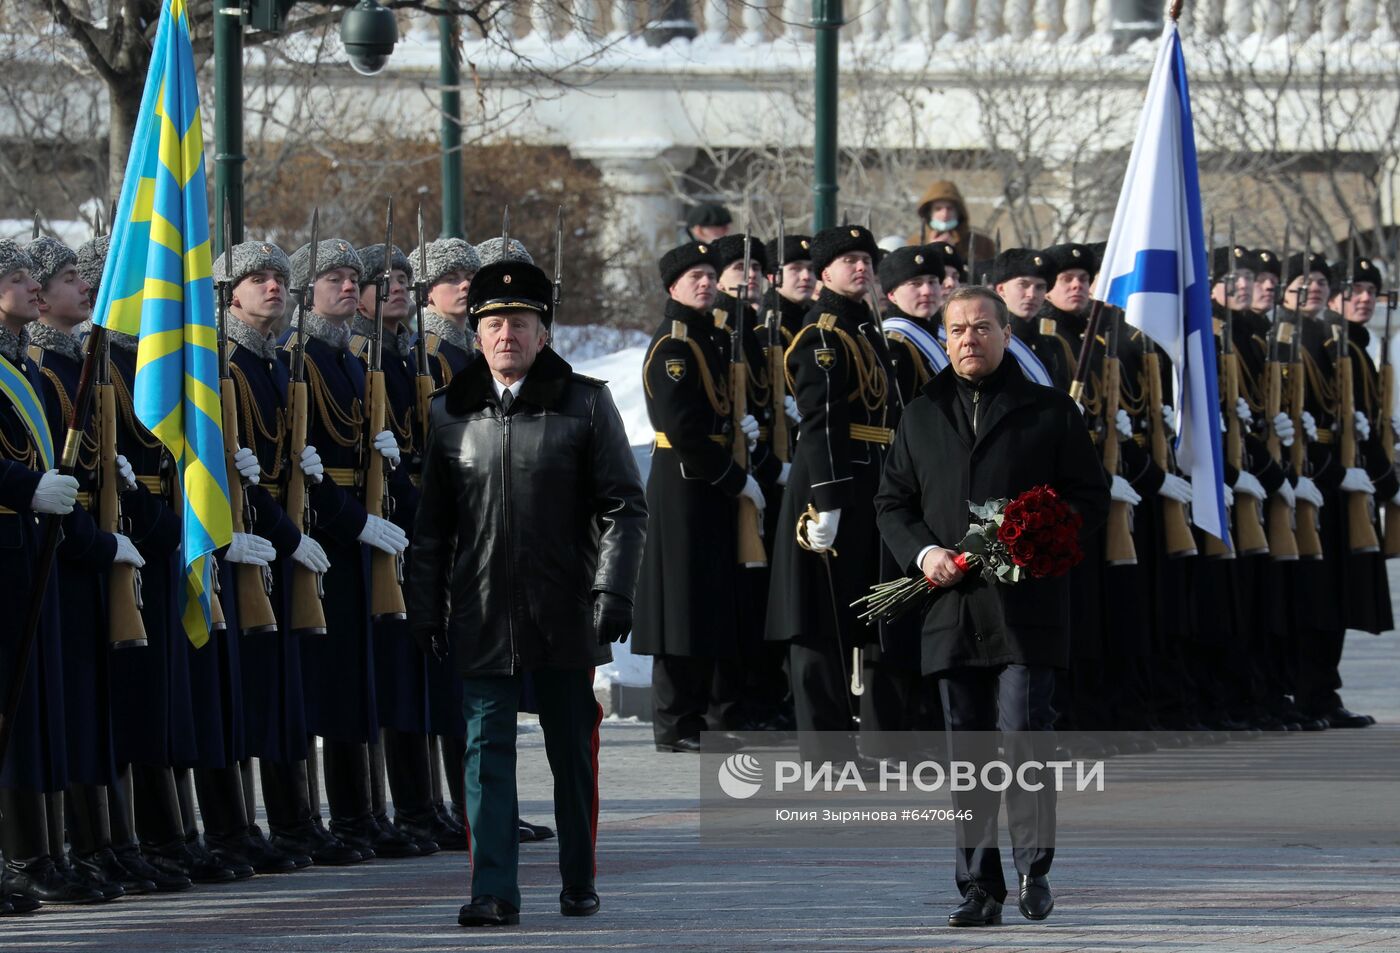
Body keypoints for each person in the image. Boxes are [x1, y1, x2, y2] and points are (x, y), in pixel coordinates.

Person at [408, 258, 646, 927]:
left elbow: (623, 506)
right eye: (491, 323)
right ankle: (494, 891)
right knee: (485, 754)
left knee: (571, 750)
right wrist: (425, 605)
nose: (505, 334)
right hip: (483, 611)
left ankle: (578, 879)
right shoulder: (448, 412)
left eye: (519, 322)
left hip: (565, 608)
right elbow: (433, 526)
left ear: (544, 333)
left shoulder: (586, 401)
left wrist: (614, 588)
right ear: (475, 334)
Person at [874, 286, 1108, 928]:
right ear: (944, 339)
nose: (968, 339)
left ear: (1007, 334)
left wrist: (1043, 535)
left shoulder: (1048, 411)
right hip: (952, 606)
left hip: (1026, 608)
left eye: (982, 327)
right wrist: (924, 555)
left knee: (1023, 734)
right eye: (956, 330)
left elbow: (1090, 495)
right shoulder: (921, 413)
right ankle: (979, 887)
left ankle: (1033, 867)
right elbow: (892, 503)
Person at [632, 242, 760, 753]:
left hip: (707, 480)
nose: (705, 283)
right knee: (680, 602)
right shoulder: (674, 344)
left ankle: (700, 717)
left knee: (706, 599)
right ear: (672, 287)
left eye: (711, 275)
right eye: (694, 277)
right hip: (685, 481)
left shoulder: (709, 335)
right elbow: (683, 429)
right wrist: (734, 478)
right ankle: (675, 722)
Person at [908, 181, 996, 266]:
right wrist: (930, 251)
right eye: (938, 209)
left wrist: (954, 252)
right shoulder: (914, 243)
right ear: (929, 213)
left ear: (959, 211)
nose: (944, 214)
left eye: (949, 208)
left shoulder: (982, 244)